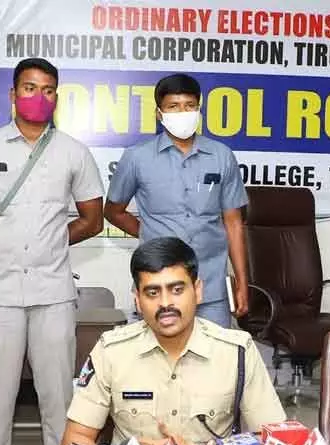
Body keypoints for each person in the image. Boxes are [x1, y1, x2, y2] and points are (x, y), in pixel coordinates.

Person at [0, 57, 105, 445]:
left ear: (57, 98)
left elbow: (93, 220)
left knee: (58, 394)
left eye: (48, 90)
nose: (39, 97)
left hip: (53, 292)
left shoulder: (75, 153)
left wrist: (53, 238)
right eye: (30, 88)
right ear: (13, 95)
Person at [61, 237, 285, 445]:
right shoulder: (111, 351)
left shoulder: (237, 351)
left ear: (197, 291)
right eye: (152, 293)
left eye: (177, 290)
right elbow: (74, 440)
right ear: (137, 300)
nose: (165, 303)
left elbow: (274, 442)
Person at [104, 74, 249, 328]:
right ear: (159, 114)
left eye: (189, 106)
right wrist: (149, 233)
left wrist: (242, 283)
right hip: (158, 285)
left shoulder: (222, 156)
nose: (183, 112)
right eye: (174, 107)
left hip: (211, 286)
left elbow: (234, 223)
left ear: (199, 109)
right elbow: (113, 210)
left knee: (214, 362)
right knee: (155, 363)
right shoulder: (137, 157)